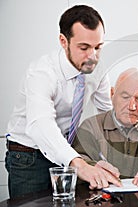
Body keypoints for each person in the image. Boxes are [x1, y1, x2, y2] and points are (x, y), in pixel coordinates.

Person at [5, 5, 113, 198]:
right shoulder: (42, 72)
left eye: (98, 47)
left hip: (65, 152)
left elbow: (107, 117)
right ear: (64, 41)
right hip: (28, 155)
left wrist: (105, 158)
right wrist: (78, 164)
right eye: (84, 48)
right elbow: (40, 124)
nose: (93, 56)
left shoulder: (98, 68)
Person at [72, 67, 138, 188]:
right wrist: (93, 168)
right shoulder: (91, 127)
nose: (132, 106)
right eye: (125, 97)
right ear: (112, 95)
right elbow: (77, 161)